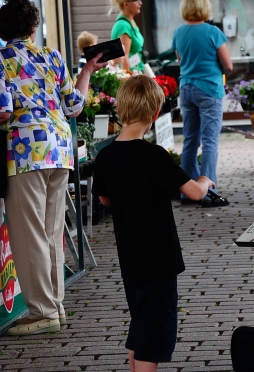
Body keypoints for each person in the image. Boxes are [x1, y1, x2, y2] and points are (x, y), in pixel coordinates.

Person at [0, 0, 107, 336]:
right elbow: (75, 106)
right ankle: (56, 305)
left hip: (26, 154)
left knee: (29, 237)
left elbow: (2, 110)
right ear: (34, 27)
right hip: (60, 150)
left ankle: (42, 311)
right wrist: (86, 70)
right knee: (53, 234)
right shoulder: (52, 55)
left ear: (0, 28)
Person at [91, 75, 215, 371]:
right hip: (158, 259)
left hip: (129, 258)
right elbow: (195, 193)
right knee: (155, 331)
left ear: (119, 111)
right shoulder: (154, 155)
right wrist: (205, 179)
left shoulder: (105, 155)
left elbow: (104, 200)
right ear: (154, 114)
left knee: (141, 324)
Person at [172, 0, 233, 207]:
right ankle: (208, 192)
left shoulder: (179, 32)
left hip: (186, 88)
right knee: (209, 142)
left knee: (189, 141)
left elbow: (180, 59)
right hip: (209, 89)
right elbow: (228, 64)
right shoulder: (213, 32)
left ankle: (188, 192)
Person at [108, 0, 145, 73]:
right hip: (132, 74)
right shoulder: (124, 25)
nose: (140, 3)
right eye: (136, 0)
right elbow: (124, 58)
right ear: (126, 4)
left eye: (140, 0)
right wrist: (128, 81)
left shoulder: (130, 21)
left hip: (137, 70)